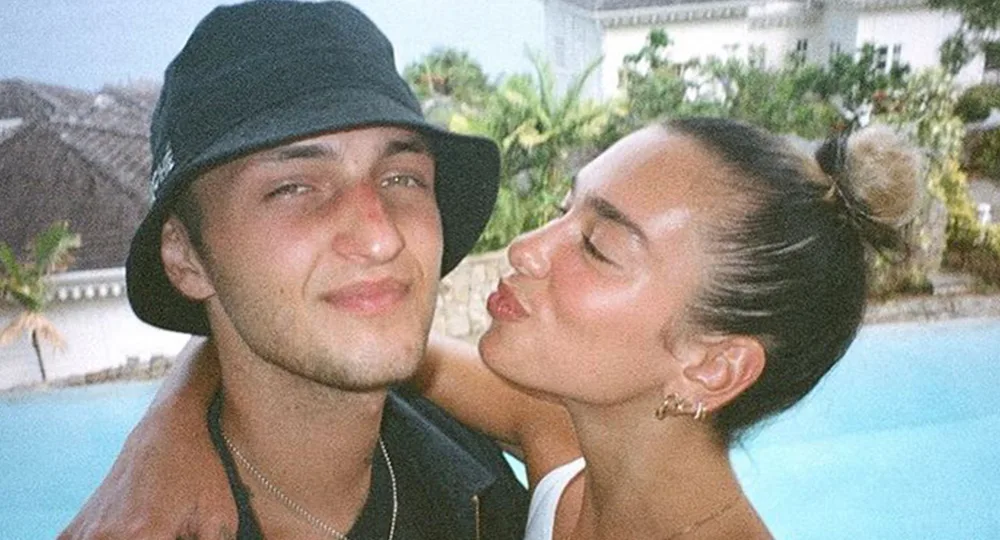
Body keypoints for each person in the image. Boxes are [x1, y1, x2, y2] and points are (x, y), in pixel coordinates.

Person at [65, 115, 922, 539]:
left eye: (597, 245)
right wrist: (168, 430)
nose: (526, 247)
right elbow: (333, 338)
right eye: (566, 207)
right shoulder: (562, 446)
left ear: (712, 366)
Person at [59, 1, 531, 538]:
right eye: (293, 188)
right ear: (186, 257)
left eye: (402, 178)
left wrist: (174, 410)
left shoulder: (473, 474)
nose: (381, 238)